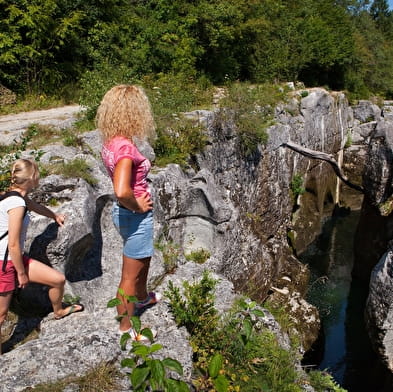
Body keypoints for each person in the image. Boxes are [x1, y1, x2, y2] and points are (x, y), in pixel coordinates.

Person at [0, 159, 84, 354]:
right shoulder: (16, 203)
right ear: (31, 178)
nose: (39, 176)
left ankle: (58, 311)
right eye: (37, 173)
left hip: (15, 259)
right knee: (2, 315)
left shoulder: (16, 197)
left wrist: (54, 216)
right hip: (6, 263)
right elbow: (12, 243)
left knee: (57, 280)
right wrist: (21, 273)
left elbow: (35, 206)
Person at [96, 84, 160, 340]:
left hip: (124, 215)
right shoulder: (124, 150)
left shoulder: (112, 143)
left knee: (143, 261)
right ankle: (127, 329)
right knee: (128, 278)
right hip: (134, 216)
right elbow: (122, 190)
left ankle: (142, 299)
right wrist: (139, 205)